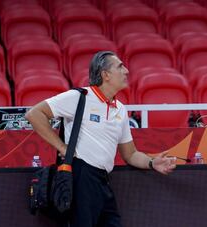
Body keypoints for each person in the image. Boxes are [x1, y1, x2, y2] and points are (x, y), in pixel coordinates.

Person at [26, 51, 176, 227]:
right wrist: (62, 147)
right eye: (120, 66)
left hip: (103, 180)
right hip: (82, 176)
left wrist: (152, 163)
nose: (126, 71)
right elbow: (34, 114)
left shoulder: (120, 109)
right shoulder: (79, 97)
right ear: (105, 75)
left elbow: (131, 154)